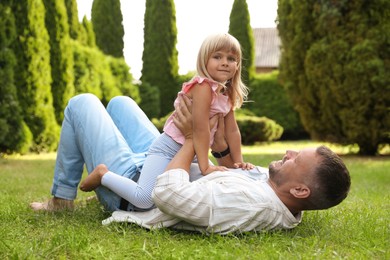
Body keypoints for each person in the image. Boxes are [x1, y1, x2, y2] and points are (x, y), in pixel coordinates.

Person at [101, 94, 351, 234]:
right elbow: (226, 177)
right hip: (164, 161)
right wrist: (220, 148)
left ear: (300, 190)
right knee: (120, 103)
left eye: (297, 159)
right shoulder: (282, 189)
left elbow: (167, 194)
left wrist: (192, 138)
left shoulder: (250, 205)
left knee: (83, 103)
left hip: (136, 193)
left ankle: (63, 194)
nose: (289, 152)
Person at [78, 33, 253, 210]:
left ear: (237, 65)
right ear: (204, 60)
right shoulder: (203, 87)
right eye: (217, 56)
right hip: (167, 150)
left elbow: (232, 132)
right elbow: (200, 129)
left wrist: (238, 163)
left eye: (231, 58)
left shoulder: (226, 94)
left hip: (190, 153)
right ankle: (104, 175)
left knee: (207, 188)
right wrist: (205, 167)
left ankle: (123, 184)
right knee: (145, 199)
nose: (225, 62)